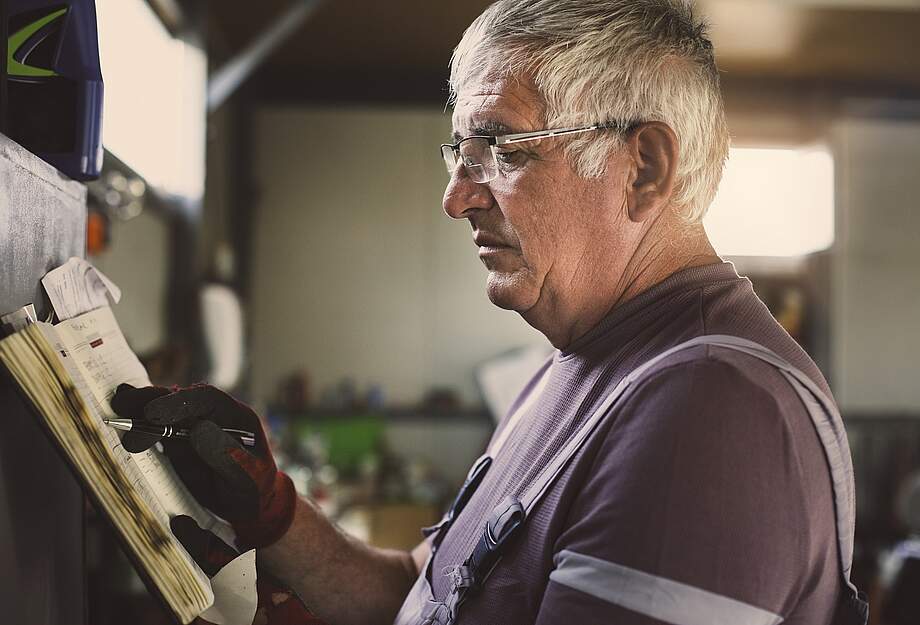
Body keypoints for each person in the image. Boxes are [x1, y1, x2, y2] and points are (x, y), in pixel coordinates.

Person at [113, 1, 867, 624]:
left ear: (643, 169)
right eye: (461, 153)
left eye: (502, 148)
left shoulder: (709, 411)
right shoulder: (583, 360)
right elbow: (427, 589)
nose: (457, 197)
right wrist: (275, 515)